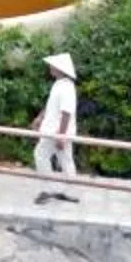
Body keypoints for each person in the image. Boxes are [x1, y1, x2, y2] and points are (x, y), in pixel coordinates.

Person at [32, 50, 79, 201]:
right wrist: (40, 117)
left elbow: (66, 112)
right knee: (65, 160)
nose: (50, 68)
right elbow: (51, 105)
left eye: (53, 66)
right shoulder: (59, 85)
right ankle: (69, 191)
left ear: (60, 69)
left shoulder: (67, 87)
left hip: (56, 132)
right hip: (55, 131)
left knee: (40, 155)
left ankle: (48, 189)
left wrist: (61, 134)